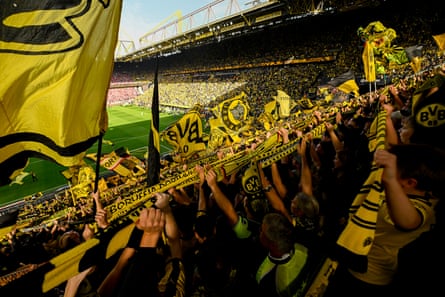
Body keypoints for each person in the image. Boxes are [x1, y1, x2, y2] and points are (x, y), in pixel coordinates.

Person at [324, 143, 445, 297]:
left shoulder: (425, 208)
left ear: (410, 183)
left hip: (367, 279)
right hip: (353, 263)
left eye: (393, 172)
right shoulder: (408, 191)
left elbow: (409, 221)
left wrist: (390, 180)